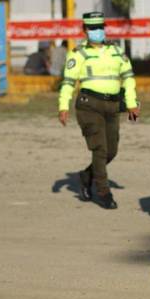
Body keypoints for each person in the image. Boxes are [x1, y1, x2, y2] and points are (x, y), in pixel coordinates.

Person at [57, 12, 139, 210]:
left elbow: (128, 78)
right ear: (85, 30)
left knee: (111, 151)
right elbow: (68, 82)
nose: (97, 31)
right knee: (99, 149)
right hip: (89, 105)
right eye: (93, 28)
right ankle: (103, 191)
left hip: (112, 106)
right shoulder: (78, 54)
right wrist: (63, 105)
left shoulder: (117, 51)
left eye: (100, 26)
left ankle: (87, 175)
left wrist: (131, 102)